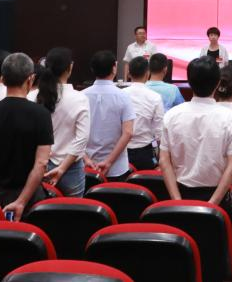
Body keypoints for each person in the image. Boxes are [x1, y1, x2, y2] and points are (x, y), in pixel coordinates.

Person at [0, 52, 53, 218]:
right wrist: (21, 202)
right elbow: (41, 163)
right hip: (30, 198)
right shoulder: (41, 115)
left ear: (3, 79)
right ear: (30, 79)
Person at [159, 56, 232, 205]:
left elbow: (163, 160)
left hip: (180, 192)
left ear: (189, 82)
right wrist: (212, 204)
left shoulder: (172, 115)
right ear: (218, 83)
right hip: (217, 197)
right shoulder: (229, 117)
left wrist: (177, 200)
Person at [30, 47, 90, 197]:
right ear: (70, 67)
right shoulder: (79, 98)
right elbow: (82, 138)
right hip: (71, 168)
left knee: (39, 208)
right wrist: (62, 168)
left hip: (37, 166)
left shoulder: (31, 96)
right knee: (72, 209)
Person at [83, 50, 135, 180]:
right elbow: (128, 132)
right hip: (117, 167)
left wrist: (86, 159)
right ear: (114, 68)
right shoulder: (123, 96)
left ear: (92, 69)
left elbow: (72, 133)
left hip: (86, 166)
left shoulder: (81, 95)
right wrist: (109, 162)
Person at [124, 56, 165, 170]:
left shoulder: (120, 94)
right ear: (148, 74)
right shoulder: (155, 97)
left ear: (129, 74)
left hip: (121, 151)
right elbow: (159, 132)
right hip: (146, 152)